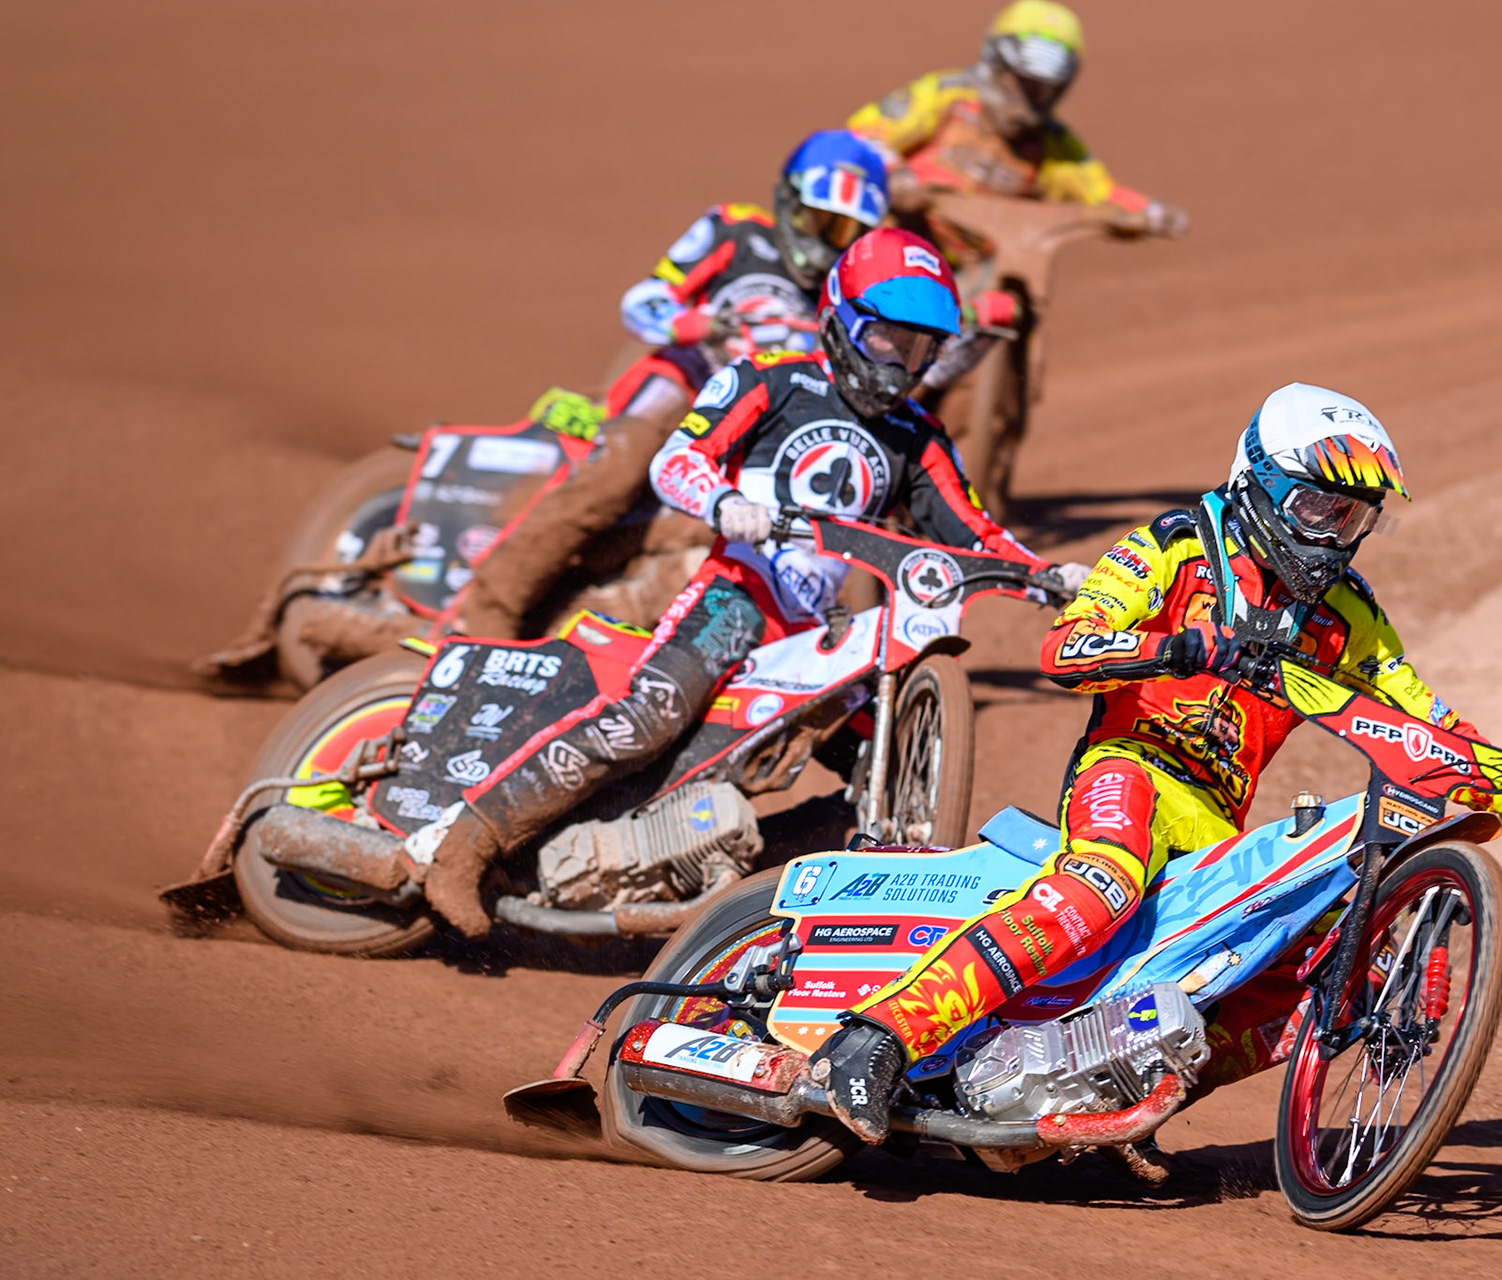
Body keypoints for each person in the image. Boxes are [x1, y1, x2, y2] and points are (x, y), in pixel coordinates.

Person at [812, 382, 1502, 1141]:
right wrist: (1176, 648)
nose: (1332, 536)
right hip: (1129, 768)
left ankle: (1124, 1088)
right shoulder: (1174, 545)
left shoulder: (1349, 613)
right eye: (1318, 508)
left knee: (1305, 964)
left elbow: (1423, 720)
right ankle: (876, 1038)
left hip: (1217, 820)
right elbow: (1065, 648)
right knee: (1101, 884)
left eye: (1355, 516)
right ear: (1259, 483)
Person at [419, 228, 1090, 937]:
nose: (903, 365)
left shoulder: (917, 437)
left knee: (880, 766)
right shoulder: (773, 379)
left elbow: (974, 534)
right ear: (841, 319)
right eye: (889, 339)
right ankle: (464, 845)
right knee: (648, 717)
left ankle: (752, 904)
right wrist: (722, 502)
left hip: (815, 634)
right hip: (734, 594)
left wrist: (1049, 576)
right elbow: (678, 459)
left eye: (922, 349)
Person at [457, 130, 891, 640]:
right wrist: (694, 324)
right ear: (789, 202)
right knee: (622, 465)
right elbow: (643, 302)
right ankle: (486, 607)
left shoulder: (845, 295)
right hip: (685, 383)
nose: (824, 245)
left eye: (845, 233)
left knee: (740, 536)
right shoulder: (735, 231)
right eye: (820, 222)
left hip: (750, 429)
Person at [846, 1, 1186, 237]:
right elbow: (863, 134)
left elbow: (1100, 194)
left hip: (983, 279)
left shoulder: (1051, 143)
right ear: (995, 64)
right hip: (896, 244)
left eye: (1043, 92)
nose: (1027, 102)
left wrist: (1152, 213)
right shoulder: (948, 97)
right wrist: (895, 174)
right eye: (1022, 85)